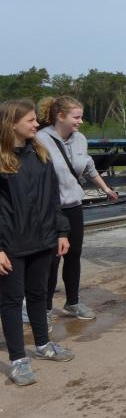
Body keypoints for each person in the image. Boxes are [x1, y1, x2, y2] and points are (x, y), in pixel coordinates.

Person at [0, 100, 74, 386]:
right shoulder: (3, 160)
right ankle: (19, 360)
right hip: (11, 244)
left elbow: (54, 197)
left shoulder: (40, 154)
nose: (36, 124)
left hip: (43, 239)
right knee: (10, 301)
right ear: (12, 123)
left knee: (39, 294)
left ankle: (43, 344)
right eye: (30, 120)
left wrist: (61, 231)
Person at [37, 96, 119, 322]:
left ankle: (72, 302)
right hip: (50, 210)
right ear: (60, 116)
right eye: (77, 117)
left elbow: (88, 168)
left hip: (73, 207)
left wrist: (106, 189)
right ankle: (44, 309)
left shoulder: (80, 139)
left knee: (74, 255)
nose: (81, 121)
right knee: (52, 259)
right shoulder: (40, 139)